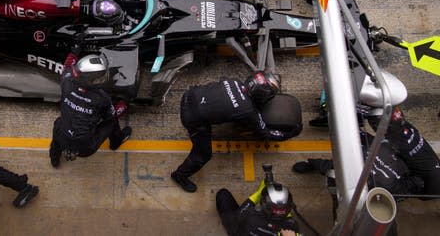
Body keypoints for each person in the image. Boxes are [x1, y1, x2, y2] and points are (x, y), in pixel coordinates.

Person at [170, 72, 302, 193]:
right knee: (203, 155)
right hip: (192, 118)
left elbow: (225, 87)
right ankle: (179, 176)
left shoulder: (234, 81)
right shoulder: (248, 111)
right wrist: (291, 134)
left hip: (189, 95)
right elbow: (266, 134)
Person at [49, 49, 131, 168]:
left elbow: (67, 65)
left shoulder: (66, 81)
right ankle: (115, 142)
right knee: (112, 123)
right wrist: (124, 104)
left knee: (58, 124)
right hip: (86, 147)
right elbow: (112, 116)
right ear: (91, 80)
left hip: (63, 138)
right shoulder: (102, 98)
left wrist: (75, 51)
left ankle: (54, 159)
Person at [292, 130, 425, 198]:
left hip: (356, 175)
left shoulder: (392, 185)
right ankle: (311, 164)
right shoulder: (397, 163)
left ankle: (311, 165)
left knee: (329, 168)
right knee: (328, 166)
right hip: (359, 157)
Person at [216, 177, 300, 235]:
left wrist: (259, 192)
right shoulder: (292, 227)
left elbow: (239, 215)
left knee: (222, 194)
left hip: (239, 228)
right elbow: (286, 215)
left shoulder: (252, 218)